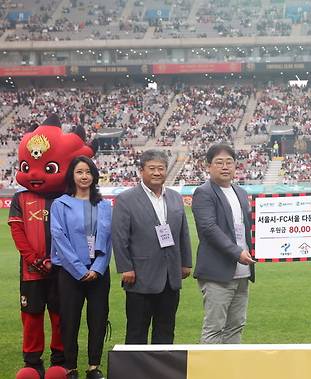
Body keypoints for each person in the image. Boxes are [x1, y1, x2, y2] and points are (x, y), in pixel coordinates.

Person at [9, 114, 94, 378]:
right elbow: (17, 231)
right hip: (31, 270)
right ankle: (32, 362)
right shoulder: (20, 198)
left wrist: (59, 260)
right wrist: (35, 259)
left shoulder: (68, 198)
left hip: (62, 270)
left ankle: (61, 359)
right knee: (32, 316)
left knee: (61, 315)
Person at [112, 149, 193, 344]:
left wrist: (186, 262)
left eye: (161, 168)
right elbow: (119, 236)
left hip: (170, 276)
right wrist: (126, 268)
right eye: (152, 168)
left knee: (166, 331)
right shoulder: (126, 199)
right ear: (141, 171)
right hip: (140, 276)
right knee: (137, 332)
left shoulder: (174, 197)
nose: (157, 173)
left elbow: (183, 232)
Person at [50, 156, 112, 379]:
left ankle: (93, 366)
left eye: (88, 172)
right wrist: (78, 269)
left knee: (97, 319)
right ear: (72, 176)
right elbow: (59, 238)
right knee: (69, 320)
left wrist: (97, 268)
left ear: (94, 176)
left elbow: (107, 240)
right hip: (70, 273)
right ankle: (70, 367)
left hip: (98, 273)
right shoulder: (60, 204)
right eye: (79, 172)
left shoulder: (104, 206)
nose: (84, 176)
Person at [192, 144, 256, 344]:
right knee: (214, 327)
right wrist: (237, 252)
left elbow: (251, 225)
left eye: (229, 162)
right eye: (219, 162)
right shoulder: (204, 192)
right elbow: (209, 228)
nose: (225, 167)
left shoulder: (241, 192)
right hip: (217, 272)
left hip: (243, 271)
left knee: (236, 325)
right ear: (208, 166)